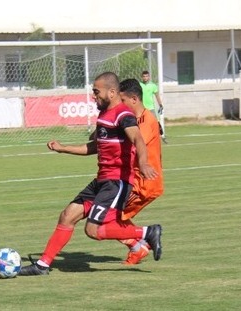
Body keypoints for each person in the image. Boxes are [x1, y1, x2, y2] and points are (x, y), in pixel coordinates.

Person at [18, 72, 162, 276]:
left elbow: (138, 138)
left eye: (96, 92)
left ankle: (147, 232)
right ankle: (42, 265)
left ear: (112, 92)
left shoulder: (124, 115)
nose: (93, 96)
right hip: (101, 180)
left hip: (116, 182)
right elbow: (96, 146)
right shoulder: (104, 115)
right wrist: (63, 148)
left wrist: (144, 163)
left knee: (93, 230)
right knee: (67, 216)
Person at [118, 78, 164, 265]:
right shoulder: (133, 120)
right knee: (108, 215)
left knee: (108, 217)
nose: (119, 106)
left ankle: (141, 245)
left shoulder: (146, 121)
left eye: (122, 101)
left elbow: (136, 145)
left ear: (134, 99)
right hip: (135, 180)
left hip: (144, 183)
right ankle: (141, 245)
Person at [140, 70, 167, 143]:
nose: (145, 78)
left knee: (156, 122)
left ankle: (162, 136)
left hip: (151, 107)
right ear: (142, 77)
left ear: (149, 77)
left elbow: (157, 96)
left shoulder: (153, 85)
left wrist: (160, 105)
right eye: (144, 76)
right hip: (142, 108)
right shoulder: (139, 85)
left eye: (146, 76)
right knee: (141, 122)